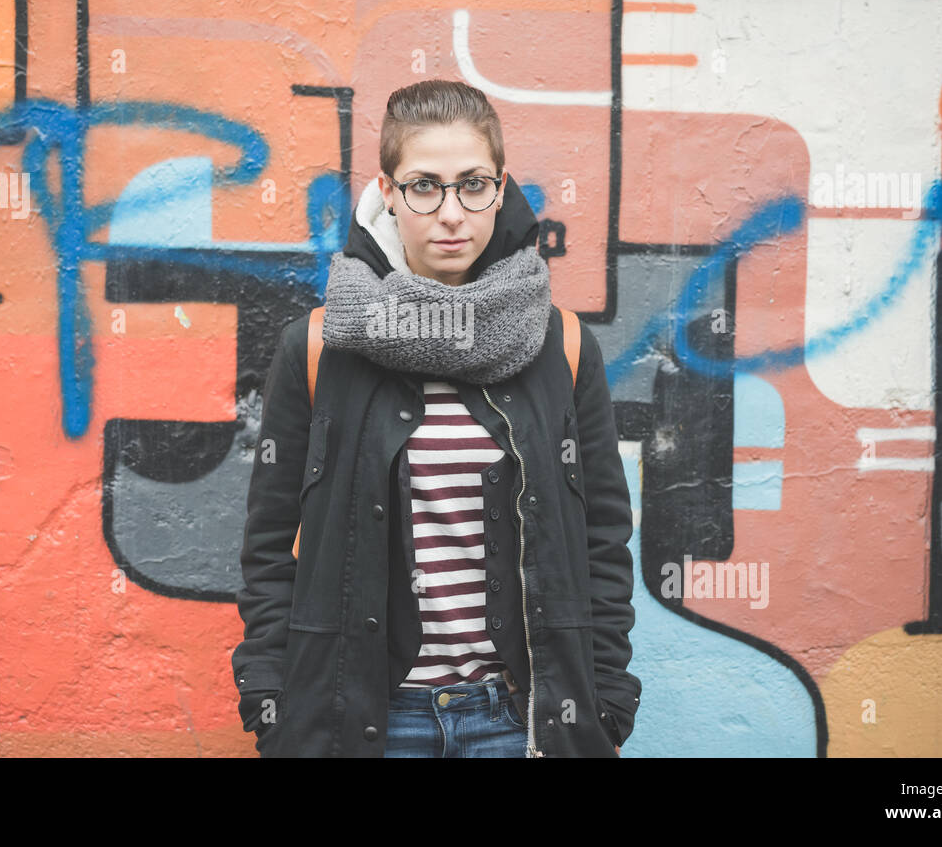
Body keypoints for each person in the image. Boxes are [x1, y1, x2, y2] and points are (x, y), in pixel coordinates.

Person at [232, 78, 641, 757]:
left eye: (473, 184)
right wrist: (272, 699)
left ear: (501, 187)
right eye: (425, 185)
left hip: (520, 722)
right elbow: (269, 546)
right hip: (366, 723)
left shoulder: (559, 345)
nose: (452, 212)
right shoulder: (319, 347)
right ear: (388, 193)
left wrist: (604, 699)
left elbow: (603, 537)